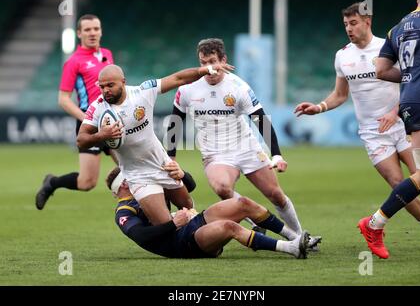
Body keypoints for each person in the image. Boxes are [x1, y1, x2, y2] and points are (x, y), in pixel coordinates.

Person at [294, 2, 420, 253]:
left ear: (367, 21)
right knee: (396, 182)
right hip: (372, 132)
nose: (349, 28)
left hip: (403, 123)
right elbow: (340, 94)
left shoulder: (388, 46)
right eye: (346, 24)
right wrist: (320, 107)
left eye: (354, 23)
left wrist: (395, 112)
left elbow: (412, 81)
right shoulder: (342, 56)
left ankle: (379, 224)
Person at [167, 38, 321, 250]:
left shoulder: (238, 87)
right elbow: (176, 121)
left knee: (275, 194)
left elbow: (261, 121)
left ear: (224, 60)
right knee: (222, 187)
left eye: (212, 61)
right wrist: (171, 156)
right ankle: (264, 225)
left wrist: (276, 154)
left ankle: (300, 235)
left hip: (246, 147)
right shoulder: (188, 88)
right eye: (203, 63)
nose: (208, 68)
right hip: (215, 153)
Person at [77, 63, 234, 228]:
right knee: (166, 225)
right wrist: (102, 135)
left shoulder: (142, 92)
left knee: (188, 208)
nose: (105, 90)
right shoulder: (97, 107)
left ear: (123, 82)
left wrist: (204, 70)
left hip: (162, 164)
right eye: (101, 86)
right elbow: (81, 140)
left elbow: (178, 78)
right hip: (138, 175)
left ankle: (202, 237)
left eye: (110, 85)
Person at [357, 0, 420, 259]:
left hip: (413, 100)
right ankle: (374, 223)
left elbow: (381, 69)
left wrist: (413, 77)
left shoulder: (398, 28)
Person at [106, 165, 310, 259]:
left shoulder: (147, 189)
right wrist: (174, 224)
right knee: (229, 227)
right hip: (180, 245)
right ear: (124, 183)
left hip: (190, 224)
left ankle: (296, 237)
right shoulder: (124, 210)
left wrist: (181, 173)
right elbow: (140, 236)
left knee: (242, 203)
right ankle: (290, 248)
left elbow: (190, 186)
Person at [36, 14, 115, 210]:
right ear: (79, 33)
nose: (92, 33)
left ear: (101, 31)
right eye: (87, 30)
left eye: (96, 29)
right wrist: (88, 119)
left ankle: (143, 213)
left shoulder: (107, 54)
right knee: (87, 182)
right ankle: (52, 183)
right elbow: (63, 99)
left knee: (133, 168)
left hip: (113, 120)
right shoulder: (74, 62)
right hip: (89, 124)